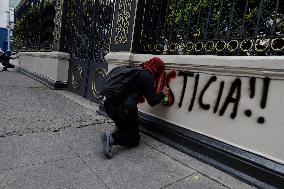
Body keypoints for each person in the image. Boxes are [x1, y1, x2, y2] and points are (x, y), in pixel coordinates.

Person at [101, 57, 168, 159]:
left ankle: (119, 130)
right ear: (157, 70)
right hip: (123, 110)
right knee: (134, 139)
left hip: (109, 105)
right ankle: (111, 138)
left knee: (126, 121)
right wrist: (163, 94)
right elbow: (152, 101)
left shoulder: (136, 71)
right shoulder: (147, 77)